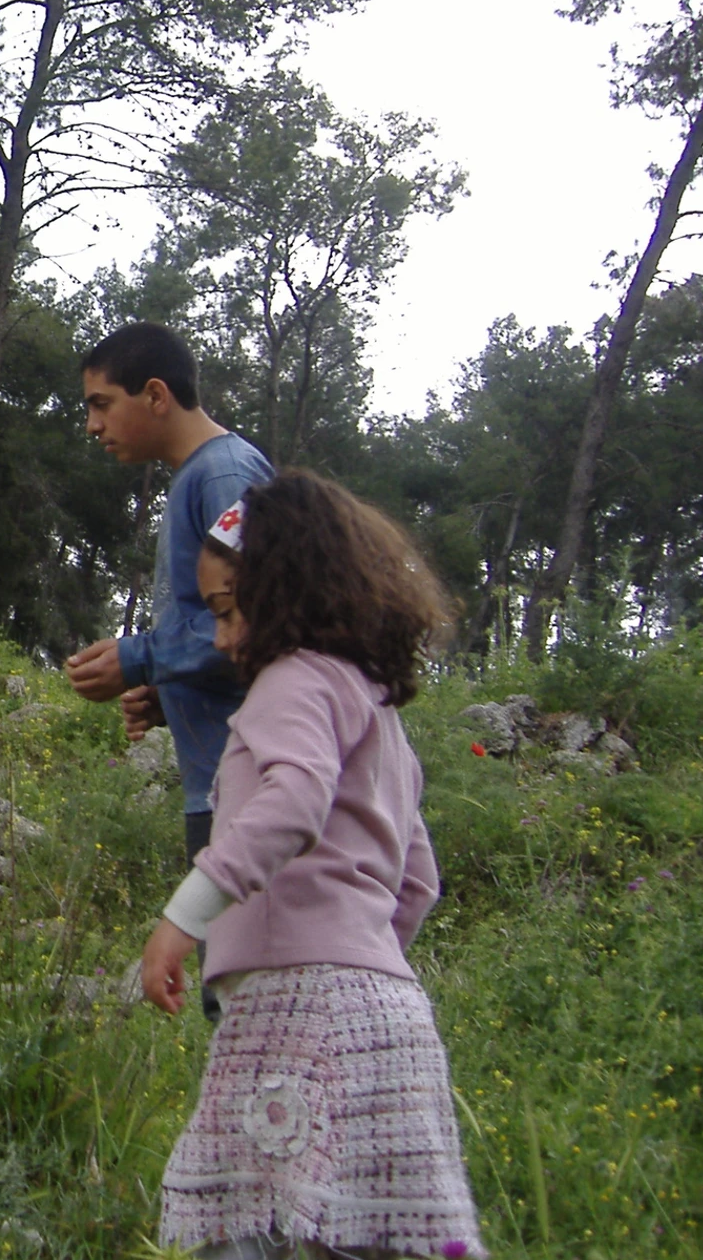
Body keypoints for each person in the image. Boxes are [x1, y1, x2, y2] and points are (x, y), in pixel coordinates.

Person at [140, 472, 484, 1260]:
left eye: (229, 610)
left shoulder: (289, 683)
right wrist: (361, 952)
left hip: (293, 1009)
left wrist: (184, 916)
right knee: (366, 1233)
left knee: (243, 1226)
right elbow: (417, 878)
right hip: (390, 1017)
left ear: (285, 592)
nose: (222, 638)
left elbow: (292, 799)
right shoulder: (375, 709)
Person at [68, 322, 273, 873]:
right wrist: (173, 689)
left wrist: (140, 659)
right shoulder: (197, 478)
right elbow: (222, 637)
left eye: (102, 404)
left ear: (156, 394)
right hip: (223, 787)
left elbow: (262, 621)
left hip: (259, 789)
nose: (92, 426)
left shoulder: (223, 477)